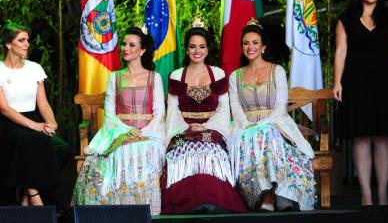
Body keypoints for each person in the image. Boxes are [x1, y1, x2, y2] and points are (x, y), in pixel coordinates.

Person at [71, 26, 166, 215]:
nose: (126, 48)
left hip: (148, 134)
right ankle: (104, 214)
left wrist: (142, 133)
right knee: (102, 160)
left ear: (142, 50)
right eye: (124, 44)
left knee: (143, 153)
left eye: (132, 45)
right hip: (118, 132)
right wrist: (125, 132)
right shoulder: (115, 77)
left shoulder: (154, 78)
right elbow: (110, 114)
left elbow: (159, 113)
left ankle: (142, 212)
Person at [333, 0, 388, 209]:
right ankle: (365, 194)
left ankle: (383, 194)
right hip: (356, 84)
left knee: (384, 138)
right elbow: (341, 52)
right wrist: (337, 82)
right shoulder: (346, 19)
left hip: (385, 83)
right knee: (361, 138)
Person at [161, 17, 247, 214]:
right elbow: (173, 110)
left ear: (208, 50)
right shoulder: (176, 75)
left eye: (201, 47)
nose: (197, 51)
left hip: (211, 129)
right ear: (187, 49)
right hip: (183, 129)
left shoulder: (217, 74)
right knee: (185, 150)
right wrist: (185, 128)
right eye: (192, 47)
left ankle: (213, 199)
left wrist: (206, 127)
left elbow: (224, 109)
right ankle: (186, 202)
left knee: (208, 148)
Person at [228, 18, 316, 212]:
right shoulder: (235, 76)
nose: (250, 47)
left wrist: (264, 125)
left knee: (266, 134)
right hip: (245, 128)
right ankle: (267, 195)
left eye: (255, 42)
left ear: (263, 46)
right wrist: (248, 126)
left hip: (276, 124)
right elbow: (235, 107)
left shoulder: (277, 70)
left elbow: (280, 107)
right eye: (246, 43)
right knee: (258, 136)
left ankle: (281, 194)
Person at [0, 21, 72, 206]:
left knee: (62, 148)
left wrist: (51, 123)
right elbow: (4, 108)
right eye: (21, 40)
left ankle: (26, 194)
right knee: (33, 142)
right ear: (9, 44)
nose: (27, 44)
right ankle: (35, 197)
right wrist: (34, 126)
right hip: (8, 123)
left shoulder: (34, 68)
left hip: (34, 119)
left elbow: (43, 103)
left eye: (27, 40)